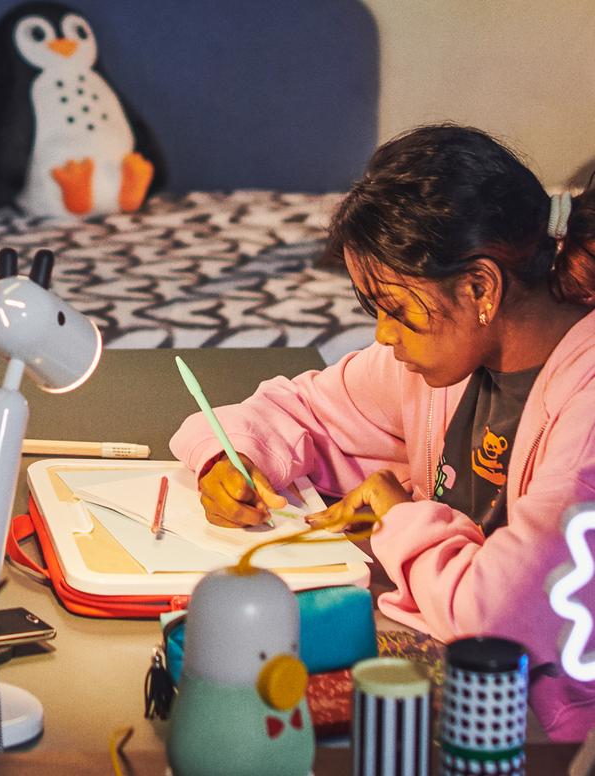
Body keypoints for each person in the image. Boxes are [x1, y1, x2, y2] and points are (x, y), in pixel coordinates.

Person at [171, 124, 595, 739]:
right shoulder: (440, 362)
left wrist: (398, 516)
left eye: (395, 310)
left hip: (543, 732)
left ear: (480, 287)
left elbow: (498, 617)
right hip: (439, 671)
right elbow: (299, 408)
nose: (383, 336)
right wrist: (229, 457)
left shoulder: (584, 412)